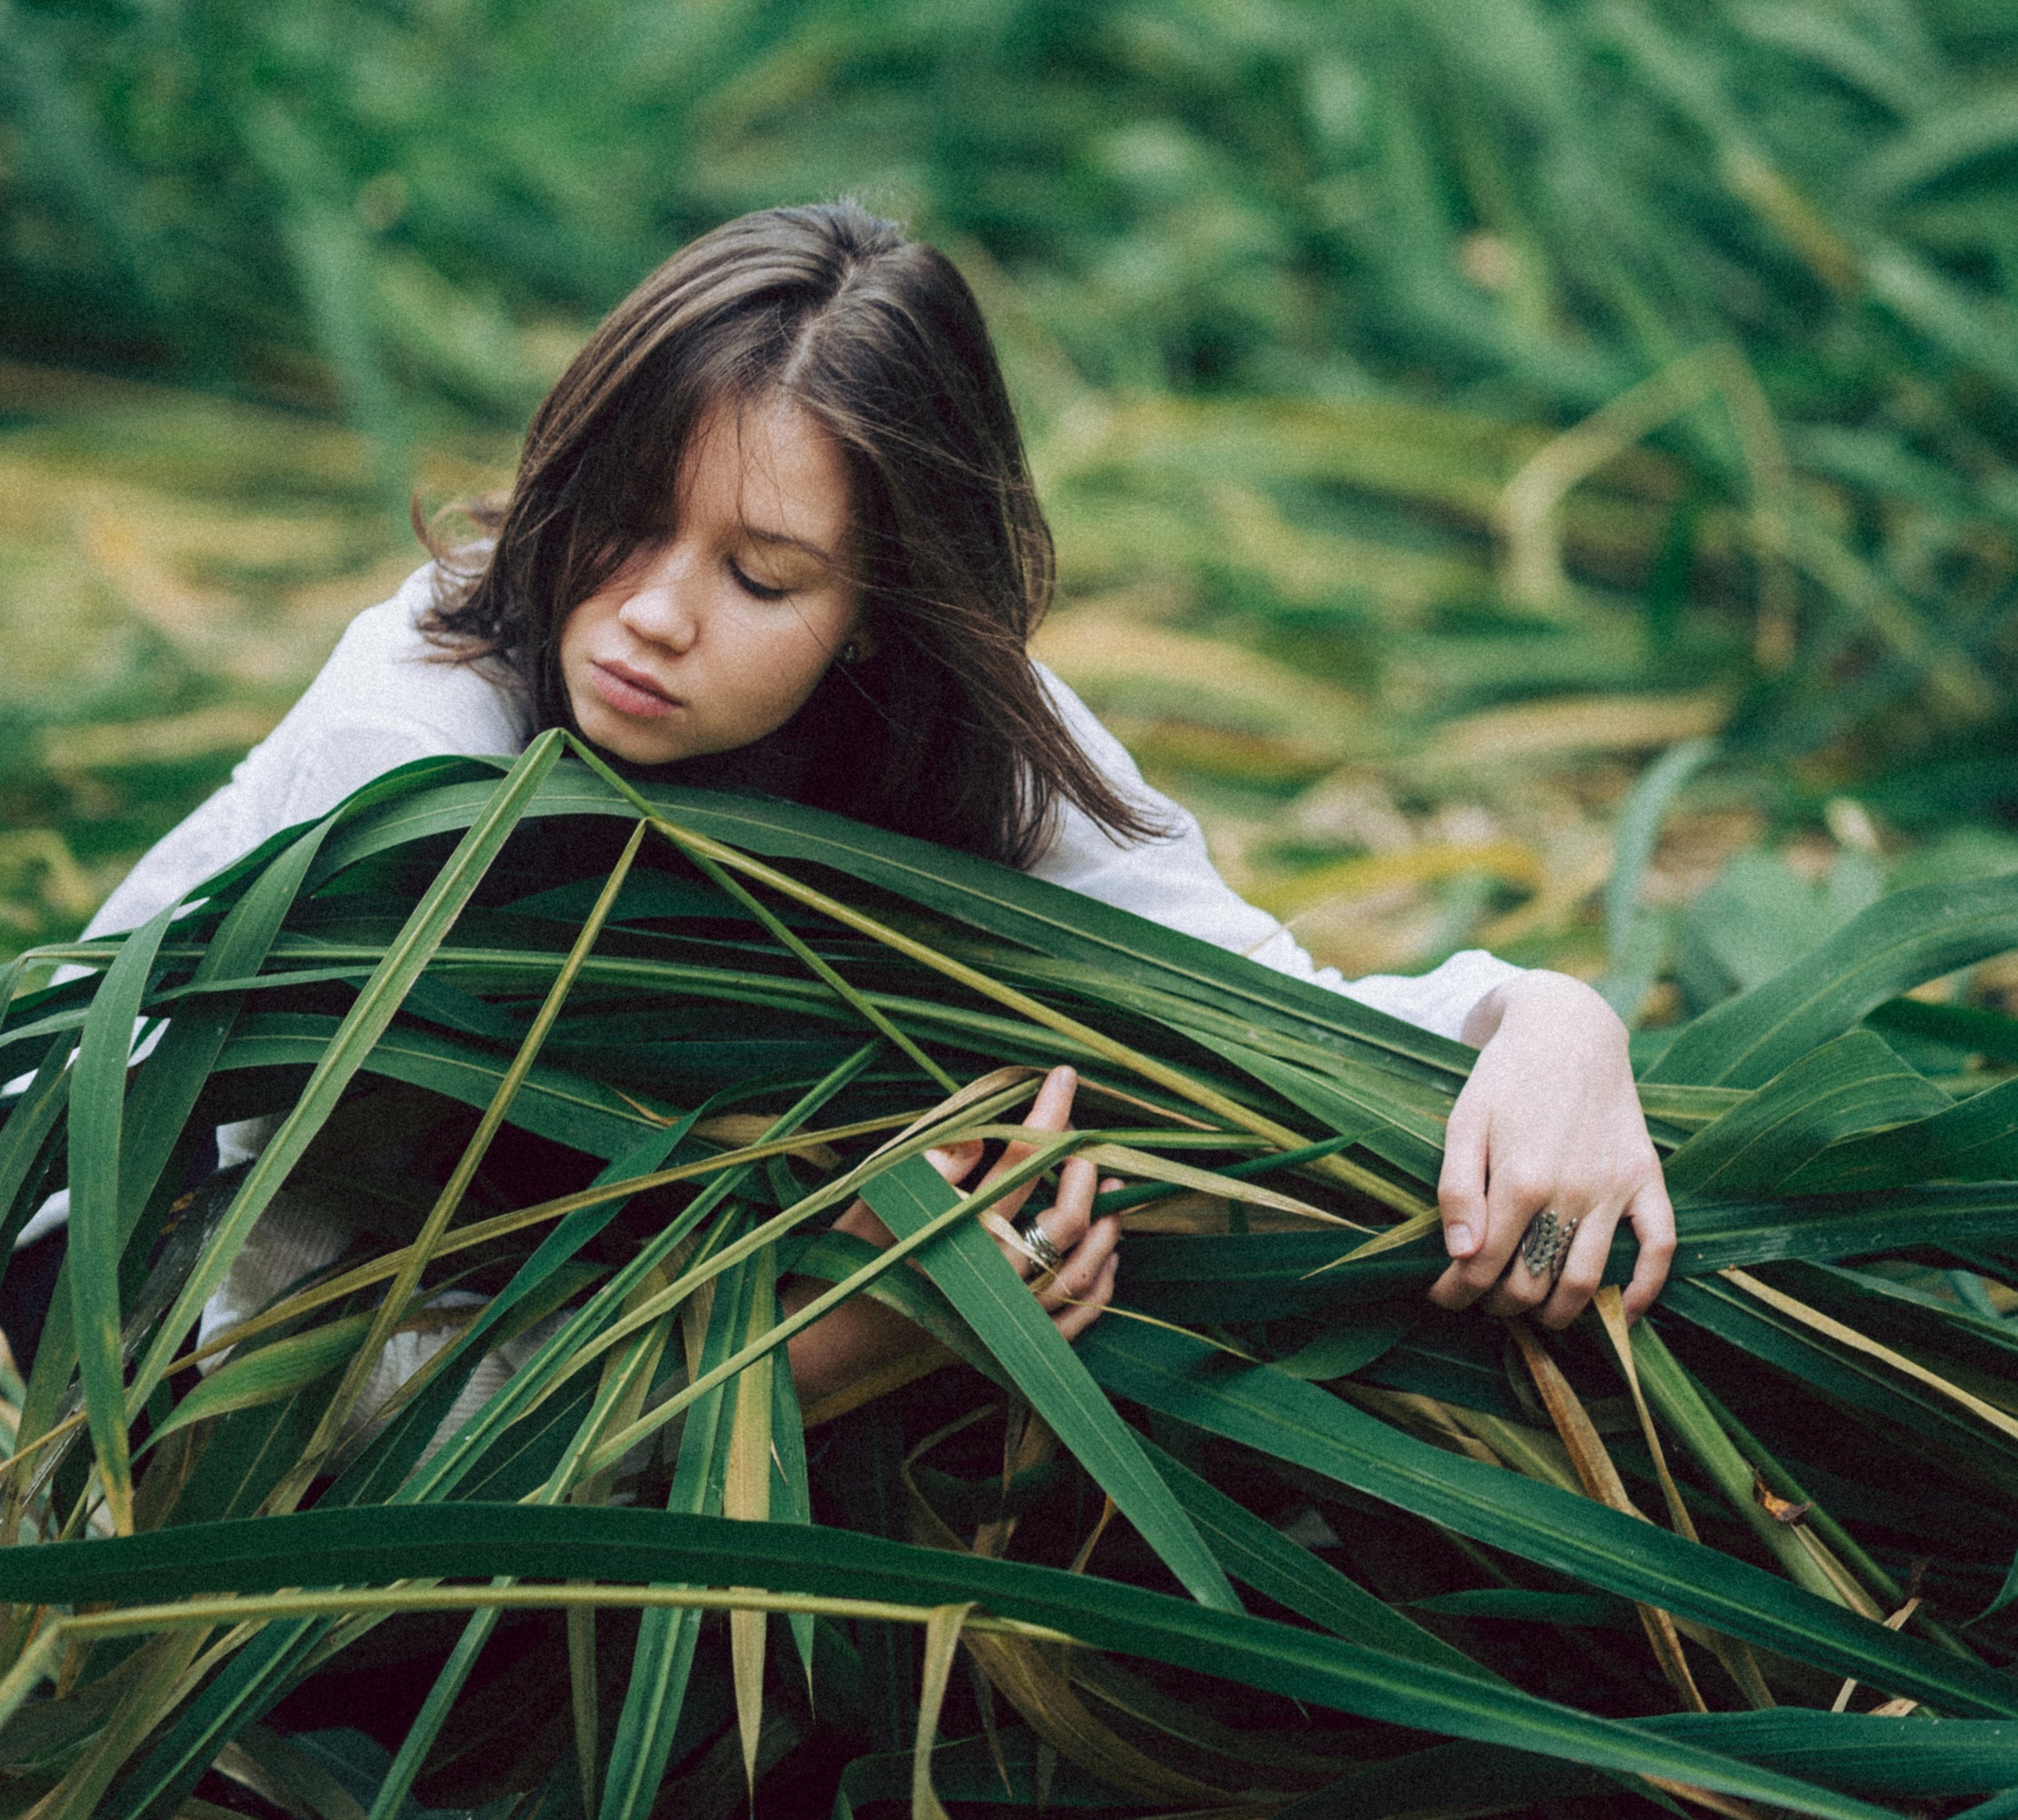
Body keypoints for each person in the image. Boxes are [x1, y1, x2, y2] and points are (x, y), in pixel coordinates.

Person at [73, 203, 1674, 1412]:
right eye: (617, 527)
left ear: (881, 613)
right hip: (117, 1314)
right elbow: (264, 1391)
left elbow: (1259, 1027)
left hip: (605, 1305)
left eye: (760, 576)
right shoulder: (414, 771)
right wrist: (838, 1352)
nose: (647, 614)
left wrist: (1541, 1025)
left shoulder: (960, 733)